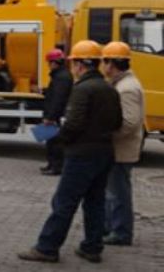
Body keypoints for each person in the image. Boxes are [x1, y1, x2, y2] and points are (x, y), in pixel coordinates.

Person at [18, 40, 122, 264]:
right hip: (104, 153)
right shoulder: (109, 88)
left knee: (64, 202)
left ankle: (47, 248)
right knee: (95, 203)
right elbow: (117, 122)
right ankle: (92, 248)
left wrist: (58, 138)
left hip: (82, 156)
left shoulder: (83, 89)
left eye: (73, 63)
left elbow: (73, 124)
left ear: (79, 65)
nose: (72, 67)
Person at [102, 41, 144, 246]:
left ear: (112, 64)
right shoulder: (123, 84)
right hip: (120, 150)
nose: (103, 67)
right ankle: (113, 228)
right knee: (115, 192)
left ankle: (121, 232)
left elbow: (129, 123)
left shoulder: (126, 89)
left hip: (121, 150)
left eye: (104, 62)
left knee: (118, 193)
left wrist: (106, 137)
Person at [40, 48, 73, 176]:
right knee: (50, 141)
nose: (49, 65)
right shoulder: (61, 75)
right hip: (55, 115)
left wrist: (51, 117)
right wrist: (45, 91)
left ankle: (56, 167)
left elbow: (58, 99)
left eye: (49, 63)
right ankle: (51, 165)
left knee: (56, 143)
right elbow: (55, 93)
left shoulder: (62, 77)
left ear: (54, 63)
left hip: (56, 116)